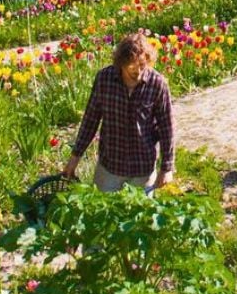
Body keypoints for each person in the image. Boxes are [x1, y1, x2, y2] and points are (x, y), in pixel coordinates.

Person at [63, 33, 175, 192]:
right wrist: (75, 158)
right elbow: (90, 120)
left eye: (143, 65)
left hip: (142, 169)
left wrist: (167, 168)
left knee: (140, 215)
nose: (139, 71)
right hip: (110, 167)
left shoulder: (157, 84)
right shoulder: (104, 79)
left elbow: (167, 128)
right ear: (121, 63)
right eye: (132, 67)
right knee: (103, 212)